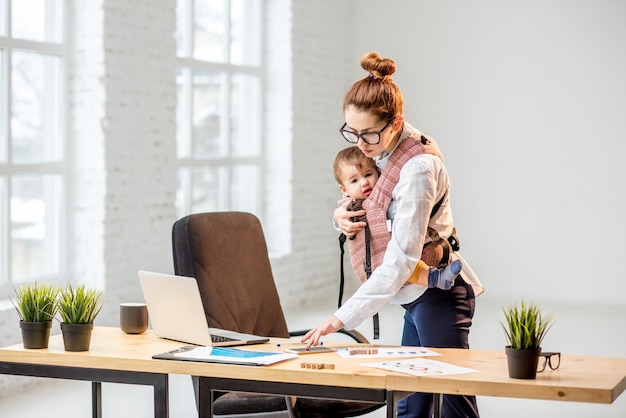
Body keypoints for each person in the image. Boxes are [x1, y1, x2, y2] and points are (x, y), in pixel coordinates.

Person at [302, 52, 483, 418]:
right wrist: (340, 217)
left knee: (453, 406)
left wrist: (340, 319)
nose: (361, 143)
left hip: (439, 295)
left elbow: (401, 260)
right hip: (415, 299)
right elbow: (368, 201)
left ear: (396, 122)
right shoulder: (382, 149)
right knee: (410, 406)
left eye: (368, 133)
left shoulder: (418, 168)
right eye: (352, 132)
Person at [333, 145, 461, 290]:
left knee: (409, 262)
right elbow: (342, 217)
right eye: (354, 181)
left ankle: (437, 277)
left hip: (395, 253)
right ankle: (437, 278)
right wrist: (338, 219)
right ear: (344, 189)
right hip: (372, 261)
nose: (364, 183)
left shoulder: (386, 197)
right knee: (402, 265)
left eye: (368, 174)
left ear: (378, 173)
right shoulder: (348, 207)